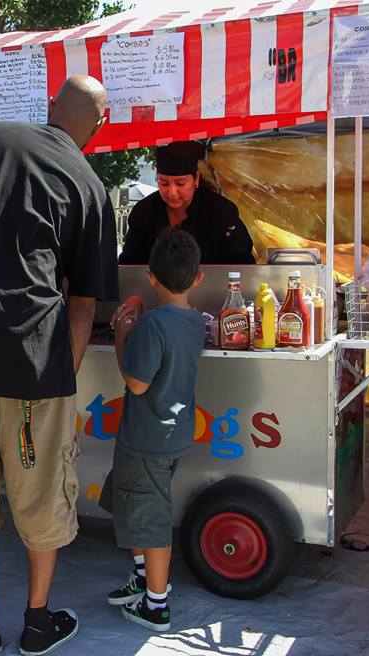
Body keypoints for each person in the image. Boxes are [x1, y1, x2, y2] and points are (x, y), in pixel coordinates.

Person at [0, 75, 119, 656]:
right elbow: (84, 302)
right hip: (37, 370)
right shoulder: (91, 187)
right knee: (40, 493)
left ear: (52, 105)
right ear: (100, 125)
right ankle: (38, 623)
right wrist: (65, 368)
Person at [106, 229, 206, 632]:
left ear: (150, 275)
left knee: (151, 521)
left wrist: (120, 337)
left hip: (146, 439)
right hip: (174, 434)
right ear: (198, 279)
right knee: (132, 506)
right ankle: (142, 578)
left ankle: (156, 605)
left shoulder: (151, 327)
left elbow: (136, 383)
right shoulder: (193, 319)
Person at [119, 141, 255, 265]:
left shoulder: (220, 211)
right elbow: (129, 263)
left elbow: (242, 263)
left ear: (196, 179)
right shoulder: (144, 211)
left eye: (180, 183)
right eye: (164, 183)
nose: (172, 192)